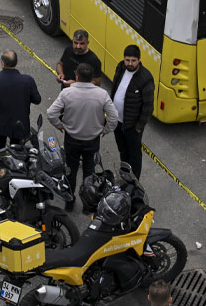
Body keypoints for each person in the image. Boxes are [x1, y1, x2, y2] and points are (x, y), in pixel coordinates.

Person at [47, 63, 119, 211]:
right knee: (89, 172)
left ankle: (70, 200)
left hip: (72, 139)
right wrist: (105, 130)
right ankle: (88, 204)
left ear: (76, 76)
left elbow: (51, 113)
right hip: (92, 141)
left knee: (70, 171)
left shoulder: (67, 93)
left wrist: (60, 125)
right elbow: (114, 118)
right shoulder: (102, 94)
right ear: (92, 78)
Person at [0, 50, 42, 150]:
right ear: (16, 62)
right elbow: (37, 99)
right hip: (19, 126)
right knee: (17, 155)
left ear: (2, 64)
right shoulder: (27, 80)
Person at [111, 45, 154, 179]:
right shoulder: (120, 67)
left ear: (139, 60)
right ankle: (124, 174)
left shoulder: (146, 78)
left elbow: (148, 107)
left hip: (132, 126)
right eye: (127, 60)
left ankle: (134, 182)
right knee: (123, 150)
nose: (130, 63)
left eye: (133, 61)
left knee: (134, 155)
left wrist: (139, 127)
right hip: (118, 121)